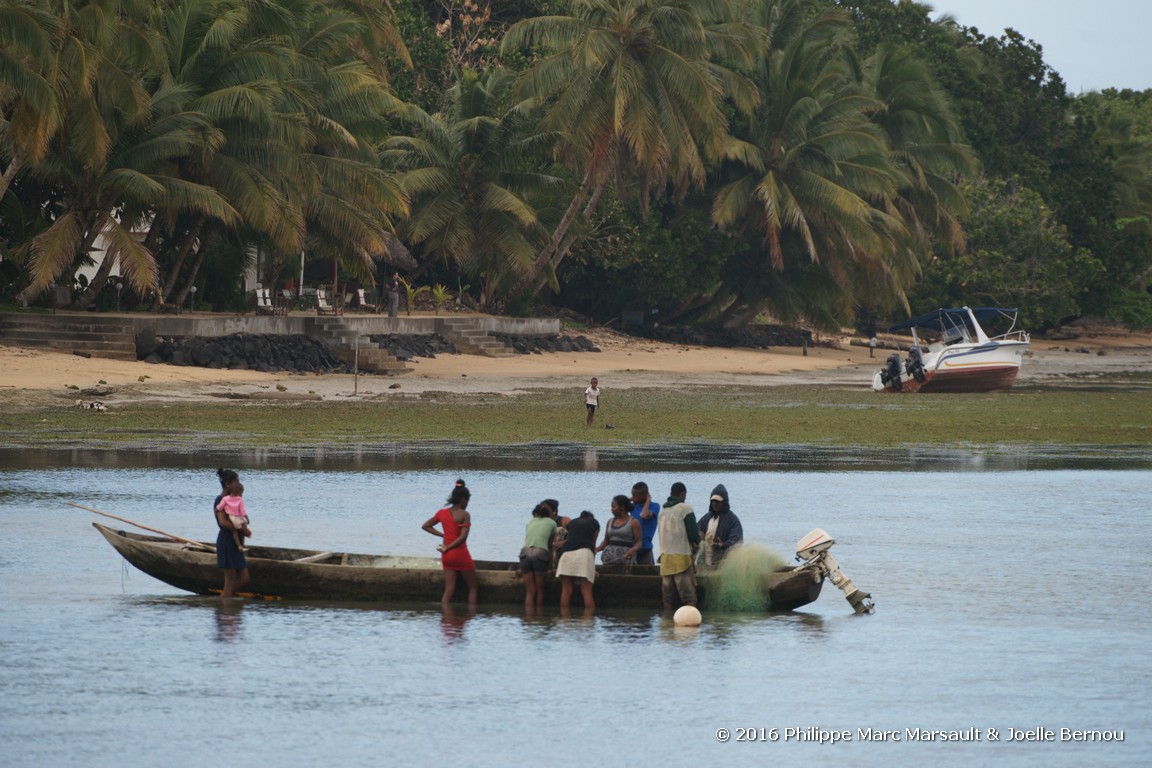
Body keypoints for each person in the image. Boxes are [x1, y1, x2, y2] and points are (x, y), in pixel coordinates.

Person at [422, 484, 479, 606]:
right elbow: (463, 537)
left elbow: (426, 526)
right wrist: (448, 545)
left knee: (449, 590)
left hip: (446, 555)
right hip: (459, 554)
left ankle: (446, 619)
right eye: (468, 500)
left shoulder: (442, 513)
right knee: (473, 587)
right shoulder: (464, 514)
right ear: (463, 499)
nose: (467, 503)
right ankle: (471, 617)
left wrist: (444, 536)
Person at [658, 482, 701, 609]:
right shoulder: (685, 508)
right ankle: (689, 626)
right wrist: (698, 541)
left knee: (668, 600)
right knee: (689, 598)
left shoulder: (663, 511)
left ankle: (667, 625)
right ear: (682, 494)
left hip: (665, 559)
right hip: (681, 559)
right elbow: (693, 534)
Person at [213, 468, 250, 597]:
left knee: (244, 578)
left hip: (236, 542)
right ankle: (226, 609)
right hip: (227, 540)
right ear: (228, 484)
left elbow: (244, 518)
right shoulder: (221, 500)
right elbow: (223, 522)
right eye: (237, 482)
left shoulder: (234, 499)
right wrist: (239, 527)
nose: (239, 484)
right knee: (230, 578)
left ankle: (224, 600)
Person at [555, 510, 600, 610]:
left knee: (566, 591)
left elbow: (570, 539)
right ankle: (588, 620)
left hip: (566, 554)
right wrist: (593, 568)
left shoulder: (572, 523)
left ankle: (565, 620)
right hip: (584, 554)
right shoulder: (595, 523)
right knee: (586, 592)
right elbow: (593, 545)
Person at [520, 502, 558, 609]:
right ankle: (539, 618)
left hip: (525, 552)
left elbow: (528, 540)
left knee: (530, 591)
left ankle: (529, 619)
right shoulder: (552, 523)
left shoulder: (530, 522)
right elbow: (550, 546)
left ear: (535, 513)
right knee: (540, 591)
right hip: (540, 553)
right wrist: (550, 567)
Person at [696, 484, 744, 566]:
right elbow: (695, 530)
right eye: (713, 501)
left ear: (724, 502)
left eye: (718, 501)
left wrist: (724, 545)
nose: (715, 504)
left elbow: (737, 539)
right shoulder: (706, 518)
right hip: (704, 561)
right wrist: (698, 534)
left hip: (721, 562)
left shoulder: (732, 519)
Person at [596, 495, 641, 565]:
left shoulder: (633, 522)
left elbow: (639, 543)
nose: (611, 509)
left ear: (622, 508)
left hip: (625, 557)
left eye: (613, 507)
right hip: (608, 557)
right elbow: (606, 541)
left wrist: (632, 550)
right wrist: (596, 549)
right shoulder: (610, 521)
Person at [629, 481, 660, 565]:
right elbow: (620, 503)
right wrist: (632, 498)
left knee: (647, 572)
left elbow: (644, 515)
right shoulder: (633, 506)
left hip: (645, 547)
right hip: (632, 547)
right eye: (632, 495)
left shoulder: (655, 506)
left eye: (635, 496)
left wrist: (648, 500)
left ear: (644, 495)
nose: (633, 498)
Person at [215, 480, 251, 552]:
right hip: (239, 518)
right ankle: (242, 544)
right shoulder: (240, 499)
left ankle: (239, 546)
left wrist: (216, 510)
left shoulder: (225, 499)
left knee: (234, 532)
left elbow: (219, 507)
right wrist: (247, 519)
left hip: (231, 518)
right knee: (242, 531)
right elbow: (242, 511)